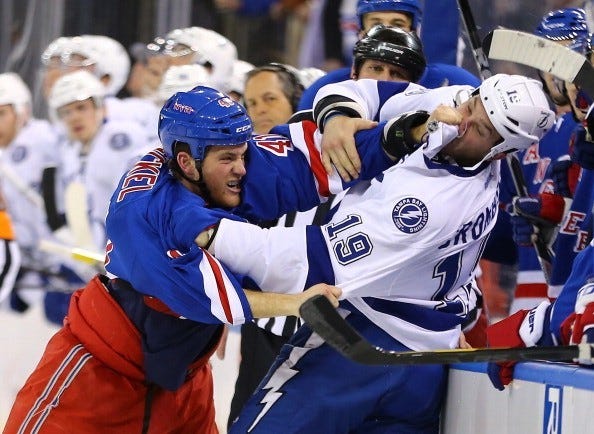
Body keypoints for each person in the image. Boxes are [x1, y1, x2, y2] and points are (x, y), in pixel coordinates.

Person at [5, 83, 414, 432]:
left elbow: (308, 163)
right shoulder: (146, 216)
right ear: (187, 162)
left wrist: (400, 138)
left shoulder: (208, 164)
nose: (241, 168)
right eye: (228, 159)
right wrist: (295, 303)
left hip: (182, 374)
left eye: (243, 154)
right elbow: (216, 298)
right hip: (99, 370)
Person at [193, 74, 555, 433]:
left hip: (366, 349)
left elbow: (310, 263)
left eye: (483, 130)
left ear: (502, 151)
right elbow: (374, 92)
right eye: (473, 106)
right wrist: (338, 116)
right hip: (426, 359)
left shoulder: (426, 209)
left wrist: (211, 234)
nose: (463, 122)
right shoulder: (456, 104)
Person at [227, 25, 428, 429]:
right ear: (355, 74)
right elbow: (246, 217)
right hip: (277, 320)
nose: (384, 83)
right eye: (375, 68)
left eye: (396, 74)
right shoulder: (309, 124)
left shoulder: (427, 149)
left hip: (361, 326)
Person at [297, 0, 481, 111]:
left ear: (414, 31)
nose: (386, 32)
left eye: (397, 23)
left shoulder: (457, 83)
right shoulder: (322, 91)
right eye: (376, 23)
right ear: (360, 32)